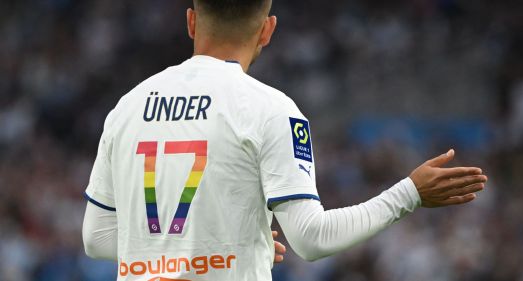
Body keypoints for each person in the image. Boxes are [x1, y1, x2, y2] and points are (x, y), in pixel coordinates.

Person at [82, 0, 488, 280]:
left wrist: (235, 242)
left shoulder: (128, 107)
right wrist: (409, 193)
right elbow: (311, 240)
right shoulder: (270, 109)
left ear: (190, 21)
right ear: (268, 30)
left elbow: (96, 238)